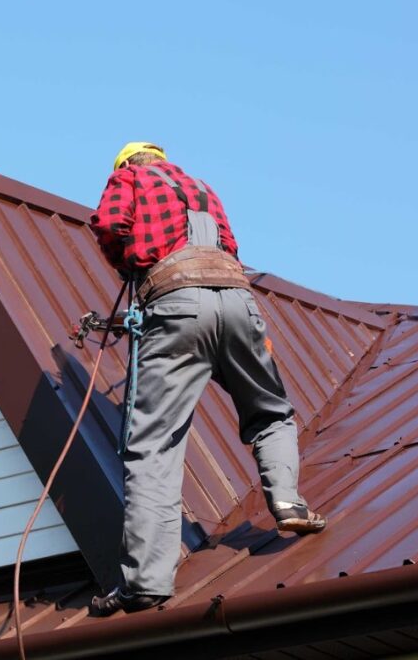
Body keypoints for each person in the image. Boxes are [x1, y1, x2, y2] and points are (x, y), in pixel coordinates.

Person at [87, 142, 326, 618]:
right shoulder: (202, 188)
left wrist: (128, 262)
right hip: (238, 301)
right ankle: (288, 502)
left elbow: (110, 224)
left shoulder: (129, 178)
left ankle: (146, 582)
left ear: (128, 163)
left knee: (153, 444)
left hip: (175, 303)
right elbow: (229, 247)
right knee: (271, 410)